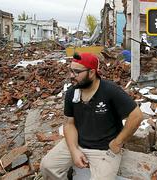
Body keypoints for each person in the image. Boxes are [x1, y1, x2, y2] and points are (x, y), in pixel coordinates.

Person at [40, 52, 143, 180]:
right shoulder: (72, 93)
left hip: (104, 150)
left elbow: (136, 115)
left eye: (77, 72)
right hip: (77, 143)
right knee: (47, 166)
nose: (72, 76)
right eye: (70, 71)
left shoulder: (110, 91)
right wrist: (74, 150)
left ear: (92, 73)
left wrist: (118, 142)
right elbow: (69, 124)